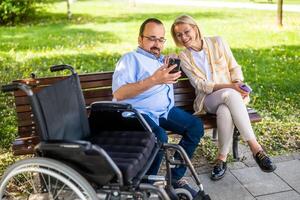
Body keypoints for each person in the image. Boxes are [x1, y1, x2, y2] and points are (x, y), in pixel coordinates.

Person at [171, 14, 276, 181]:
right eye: (179, 34)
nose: (183, 37)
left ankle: (221, 158)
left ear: (195, 29)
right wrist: (231, 87)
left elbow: (234, 67)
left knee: (225, 110)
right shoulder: (184, 56)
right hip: (207, 100)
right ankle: (256, 148)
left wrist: (238, 83)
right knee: (229, 95)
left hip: (229, 97)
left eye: (186, 31)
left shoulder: (218, 42)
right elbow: (200, 85)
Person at [112, 18, 204, 195]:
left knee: (195, 126)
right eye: (152, 38)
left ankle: (175, 178)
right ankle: (144, 187)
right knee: (159, 137)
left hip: (163, 111)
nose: (157, 44)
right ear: (140, 39)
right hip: (136, 113)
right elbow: (120, 93)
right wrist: (154, 80)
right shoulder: (130, 59)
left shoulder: (161, 60)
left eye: (161, 39)